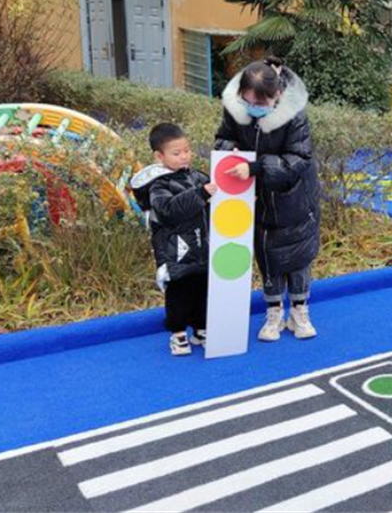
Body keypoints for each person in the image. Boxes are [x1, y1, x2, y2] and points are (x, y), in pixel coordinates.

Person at [215, 56, 321, 342]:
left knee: (298, 255)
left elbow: (298, 158)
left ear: (278, 96)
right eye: (249, 102)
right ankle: (274, 311)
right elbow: (221, 139)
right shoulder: (235, 110)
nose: (255, 109)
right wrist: (231, 149)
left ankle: (299, 310)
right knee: (267, 253)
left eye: (261, 104)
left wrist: (256, 167)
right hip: (255, 198)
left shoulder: (294, 114)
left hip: (294, 195)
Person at [131, 123, 217, 356]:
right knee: (179, 293)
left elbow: (216, 197)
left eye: (187, 150)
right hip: (176, 251)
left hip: (202, 248)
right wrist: (200, 194)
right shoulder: (159, 185)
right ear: (159, 156)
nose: (184, 157)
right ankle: (178, 334)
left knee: (202, 290)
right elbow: (168, 210)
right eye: (176, 153)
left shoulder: (197, 176)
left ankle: (201, 329)